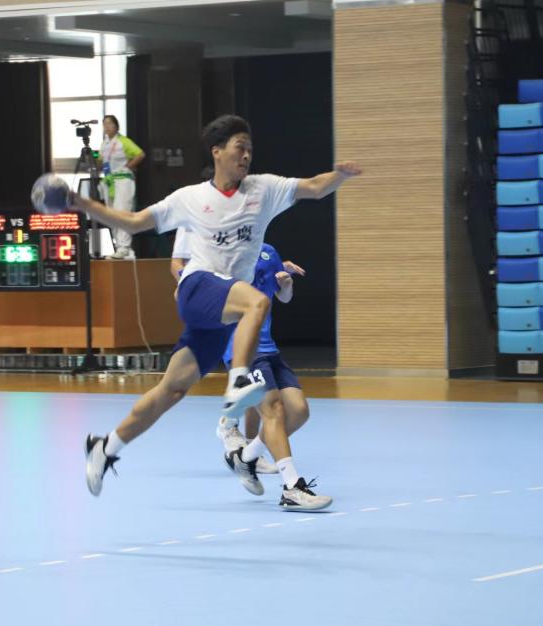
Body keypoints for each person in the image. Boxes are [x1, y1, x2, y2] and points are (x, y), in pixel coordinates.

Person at [69, 114, 361, 508]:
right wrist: (80, 202)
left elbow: (313, 187)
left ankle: (105, 447)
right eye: (240, 148)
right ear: (217, 151)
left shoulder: (264, 189)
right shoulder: (189, 198)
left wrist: (339, 176)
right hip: (198, 287)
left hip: (223, 315)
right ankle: (240, 386)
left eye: (250, 149)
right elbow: (134, 223)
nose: (246, 155)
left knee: (171, 390)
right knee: (258, 301)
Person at [173, 233, 322, 508]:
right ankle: (292, 488)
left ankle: (246, 457)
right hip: (241, 347)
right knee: (274, 410)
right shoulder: (219, 255)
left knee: (299, 411)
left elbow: (283, 297)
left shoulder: (269, 252)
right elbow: (185, 285)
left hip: (269, 348)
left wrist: (286, 285)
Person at [99, 115, 145, 260]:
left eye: (110, 124)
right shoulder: (104, 143)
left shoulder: (123, 141)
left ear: (116, 126)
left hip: (123, 180)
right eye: (105, 124)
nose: (107, 127)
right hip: (109, 181)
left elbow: (140, 154)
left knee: (122, 213)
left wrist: (128, 167)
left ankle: (124, 247)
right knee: (111, 216)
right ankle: (121, 247)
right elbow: (101, 160)